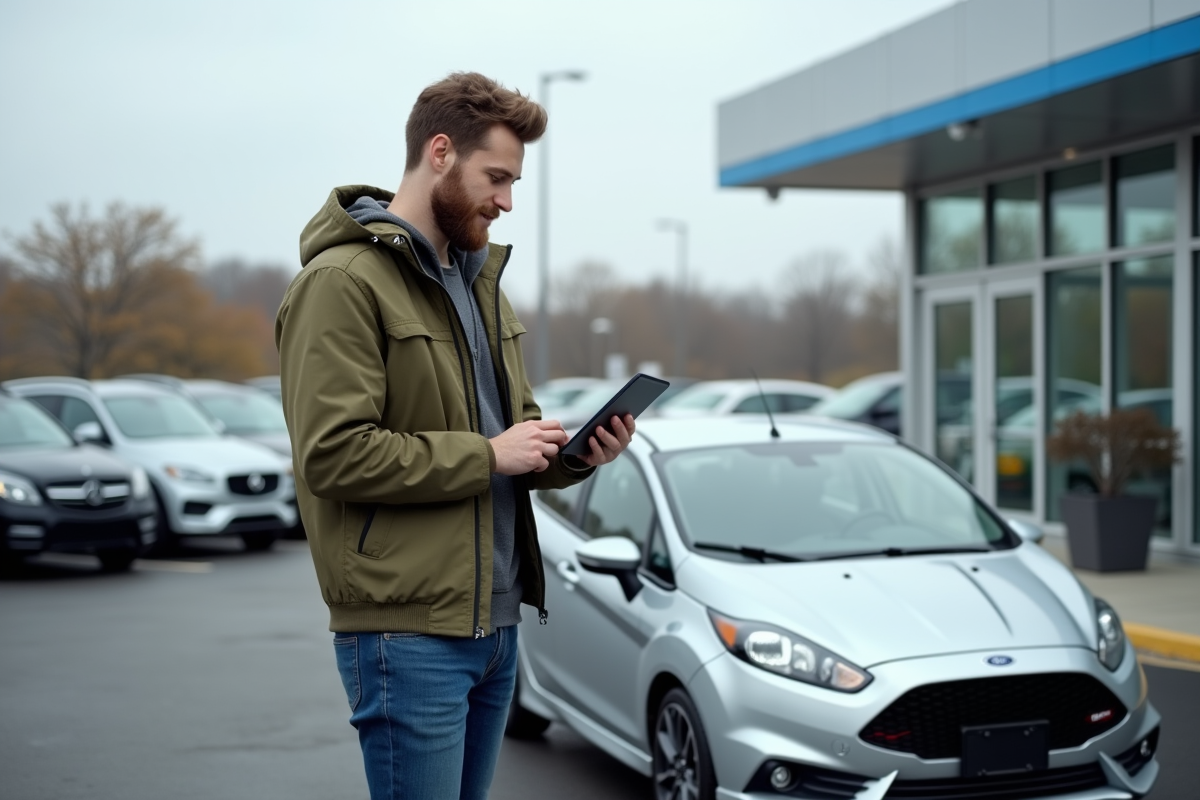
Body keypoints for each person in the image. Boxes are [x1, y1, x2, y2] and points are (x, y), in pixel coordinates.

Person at [275, 72, 634, 800]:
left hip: (496, 628)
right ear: (440, 152)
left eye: (514, 183)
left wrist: (573, 457)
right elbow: (333, 455)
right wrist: (489, 454)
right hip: (408, 633)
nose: (506, 201)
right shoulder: (342, 282)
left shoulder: (477, 283)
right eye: (496, 178)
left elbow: (514, 441)